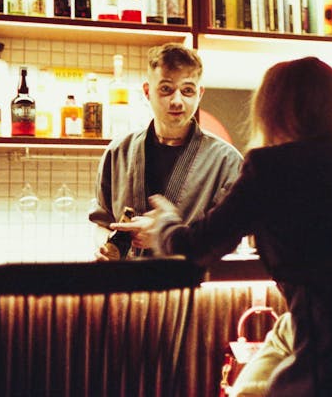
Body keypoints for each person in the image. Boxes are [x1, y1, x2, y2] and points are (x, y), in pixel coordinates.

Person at [112, 56, 332, 397]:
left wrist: (164, 223)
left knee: (252, 386)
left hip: (324, 369)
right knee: (255, 377)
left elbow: (196, 249)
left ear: (272, 111)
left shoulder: (270, 169)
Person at [90, 43, 243, 259]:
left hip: (188, 285)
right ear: (147, 92)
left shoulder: (227, 161)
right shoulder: (118, 152)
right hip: (123, 283)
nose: (177, 101)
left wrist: (168, 237)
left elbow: (228, 240)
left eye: (188, 90)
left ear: (199, 94)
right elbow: (102, 222)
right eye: (166, 89)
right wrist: (104, 249)